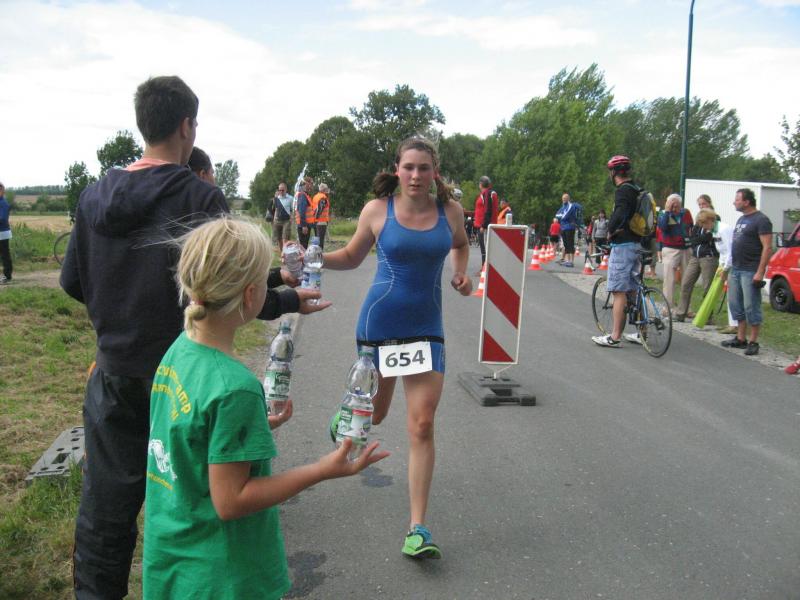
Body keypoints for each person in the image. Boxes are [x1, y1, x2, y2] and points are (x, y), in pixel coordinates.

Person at [59, 76, 328, 600]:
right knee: (187, 503)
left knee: (105, 510)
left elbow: (72, 282)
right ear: (186, 126)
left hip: (113, 375)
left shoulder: (94, 196)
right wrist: (288, 300)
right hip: (185, 376)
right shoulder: (198, 195)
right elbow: (227, 291)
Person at [142, 216, 387, 598]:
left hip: (172, 560)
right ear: (251, 294)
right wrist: (323, 469)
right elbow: (231, 500)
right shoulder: (234, 388)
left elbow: (188, 434)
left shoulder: (180, 349)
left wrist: (255, 429)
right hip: (221, 578)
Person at [324, 137, 471, 559]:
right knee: (377, 413)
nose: (416, 175)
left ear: (434, 172)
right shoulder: (378, 210)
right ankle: (349, 412)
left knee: (422, 424)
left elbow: (461, 244)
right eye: (409, 167)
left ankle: (417, 529)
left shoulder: (450, 212)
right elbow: (351, 257)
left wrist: (462, 276)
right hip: (380, 324)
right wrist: (314, 257)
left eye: (424, 168)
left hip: (427, 329)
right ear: (397, 169)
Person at [592, 156, 644, 348]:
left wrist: (610, 231)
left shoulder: (622, 190)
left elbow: (620, 213)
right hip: (637, 243)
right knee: (634, 289)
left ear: (614, 172)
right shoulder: (637, 189)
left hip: (623, 245)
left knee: (618, 291)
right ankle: (642, 332)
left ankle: (614, 336)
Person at [720, 188, 772, 356]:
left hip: (750, 270)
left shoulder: (761, 220)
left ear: (747, 202)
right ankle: (740, 338)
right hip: (736, 268)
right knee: (736, 304)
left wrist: (760, 272)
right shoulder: (742, 219)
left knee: (751, 306)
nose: (734, 202)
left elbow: (767, 247)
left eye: (737, 199)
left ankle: (753, 341)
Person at [675, 208, 719, 321]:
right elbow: (693, 240)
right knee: (686, 283)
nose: (701, 206)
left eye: (703, 204)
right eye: (699, 204)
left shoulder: (715, 221)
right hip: (695, 256)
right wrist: (701, 239)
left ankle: (707, 316)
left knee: (707, 287)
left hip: (708, 257)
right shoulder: (699, 222)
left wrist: (701, 239)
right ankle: (681, 313)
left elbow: (710, 237)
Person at [656, 194, 693, 307]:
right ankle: (668, 307)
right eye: (671, 203)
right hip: (670, 248)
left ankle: (685, 308)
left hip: (686, 248)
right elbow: (662, 227)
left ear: (680, 204)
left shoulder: (686, 213)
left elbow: (691, 227)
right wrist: (668, 212)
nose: (674, 206)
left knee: (687, 279)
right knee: (669, 279)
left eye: (676, 204)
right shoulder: (663, 214)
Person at [474, 175, 498, 267]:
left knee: (484, 248)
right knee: (485, 248)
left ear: (480, 184)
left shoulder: (486, 194)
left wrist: (484, 225)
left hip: (484, 226)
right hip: (487, 224)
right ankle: (485, 267)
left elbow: (488, 210)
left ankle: (484, 268)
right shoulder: (489, 193)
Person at [555, 193, 582, 267]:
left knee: (570, 244)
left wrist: (560, 216)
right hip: (563, 227)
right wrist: (560, 216)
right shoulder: (563, 206)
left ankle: (571, 261)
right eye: (563, 198)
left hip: (570, 227)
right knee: (566, 244)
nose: (563, 199)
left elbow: (564, 216)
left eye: (565, 198)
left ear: (568, 199)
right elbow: (556, 215)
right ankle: (568, 260)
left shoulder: (570, 206)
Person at [271, 182, 294, 249]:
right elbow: (276, 209)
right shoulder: (276, 198)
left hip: (286, 221)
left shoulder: (290, 198)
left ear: (286, 189)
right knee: (279, 239)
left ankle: (286, 252)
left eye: (282, 190)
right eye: (279, 190)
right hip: (278, 220)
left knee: (285, 238)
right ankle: (282, 253)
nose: (281, 192)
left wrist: (291, 218)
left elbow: (292, 210)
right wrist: (274, 218)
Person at [295, 176, 315, 248]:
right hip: (304, 225)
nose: (312, 185)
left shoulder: (304, 195)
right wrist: (304, 226)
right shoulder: (303, 195)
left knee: (303, 247)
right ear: (307, 184)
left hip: (304, 225)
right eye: (311, 183)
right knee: (303, 247)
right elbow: (301, 212)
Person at [312, 182, 331, 249]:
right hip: (321, 221)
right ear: (323, 190)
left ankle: (314, 252)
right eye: (326, 189)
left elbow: (314, 209)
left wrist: (314, 219)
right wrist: (317, 218)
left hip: (315, 221)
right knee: (320, 241)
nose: (327, 190)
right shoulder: (323, 197)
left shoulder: (315, 196)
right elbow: (319, 209)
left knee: (316, 240)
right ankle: (319, 254)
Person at [0, 182, 12, 284]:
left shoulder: (3, 203)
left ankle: (7, 276)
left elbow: (3, 218)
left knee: (5, 255)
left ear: (2, 191)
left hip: (3, 233)